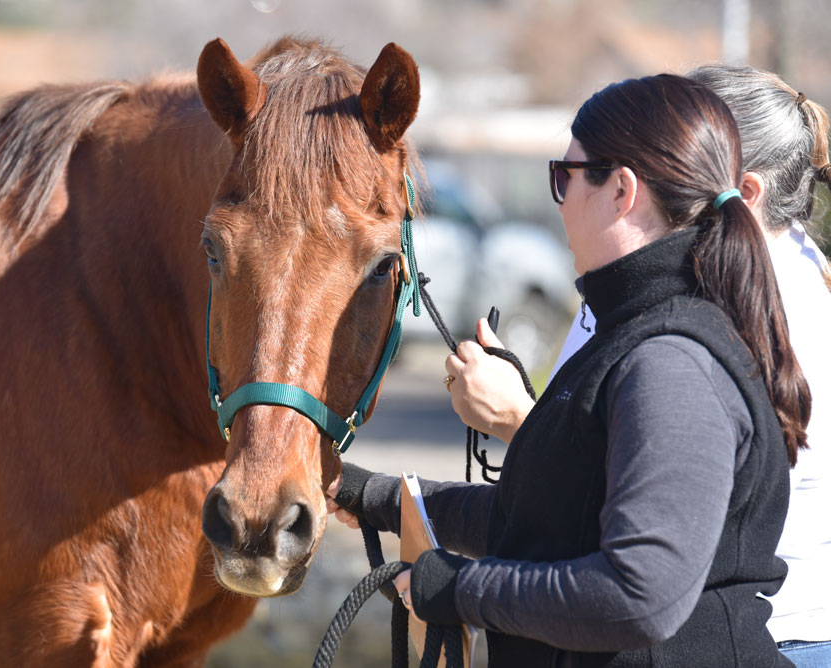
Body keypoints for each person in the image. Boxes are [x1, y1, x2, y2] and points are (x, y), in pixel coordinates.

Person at [327, 73, 811, 666]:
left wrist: (461, 590)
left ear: (621, 192)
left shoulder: (672, 360)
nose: (559, 197)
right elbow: (554, 515)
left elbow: (638, 597)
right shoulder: (630, 333)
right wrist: (382, 496)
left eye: (566, 175)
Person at [541, 65, 831, 667]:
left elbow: (661, 504)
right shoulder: (671, 289)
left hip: (779, 634)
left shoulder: (736, 320)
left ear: (742, 193)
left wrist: (460, 590)